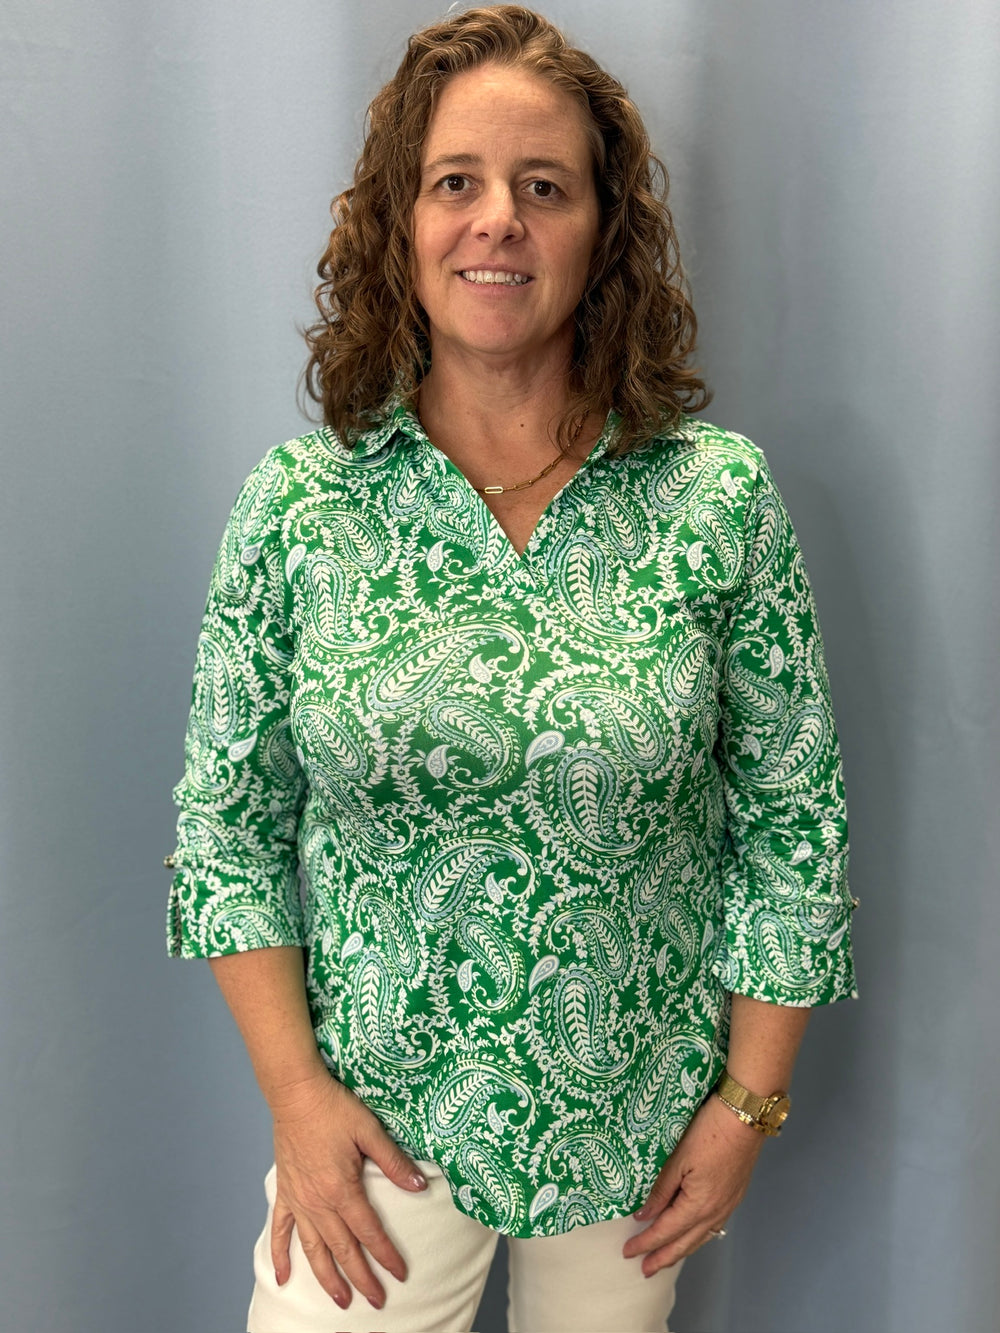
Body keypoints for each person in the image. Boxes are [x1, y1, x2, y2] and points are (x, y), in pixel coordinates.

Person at [163, 6, 859, 1331]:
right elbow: (225, 826)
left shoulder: (714, 498)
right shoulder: (302, 506)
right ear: (400, 226)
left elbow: (795, 822)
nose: (499, 221)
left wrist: (745, 1109)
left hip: (635, 1126)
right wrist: (297, 1100)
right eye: (456, 184)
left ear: (602, 234)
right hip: (375, 1130)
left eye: (545, 187)